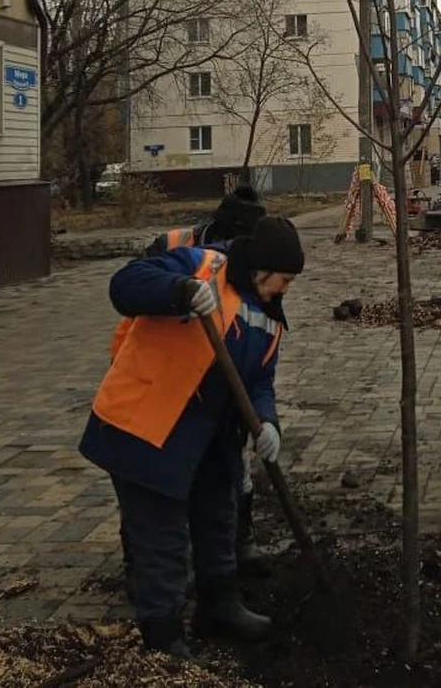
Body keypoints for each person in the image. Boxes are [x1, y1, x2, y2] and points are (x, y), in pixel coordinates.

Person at [79, 216, 304, 657]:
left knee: (219, 518)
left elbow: (260, 382)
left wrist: (268, 422)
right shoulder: (201, 266)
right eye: (285, 279)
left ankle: (219, 607)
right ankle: (163, 638)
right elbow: (124, 285)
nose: (287, 289)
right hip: (146, 428)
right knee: (161, 540)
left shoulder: (268, 318)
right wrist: (177, 291)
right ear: (262, 268)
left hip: (211, 436)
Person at [110, 185, 270, 585]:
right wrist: (177, 291)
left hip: (210, 382)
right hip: (151, 371)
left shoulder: (249, 265)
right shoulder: (176, 246)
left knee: (231, 467)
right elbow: (129, 286)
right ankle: (139, 562)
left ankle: (234, 545)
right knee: (146, 478)